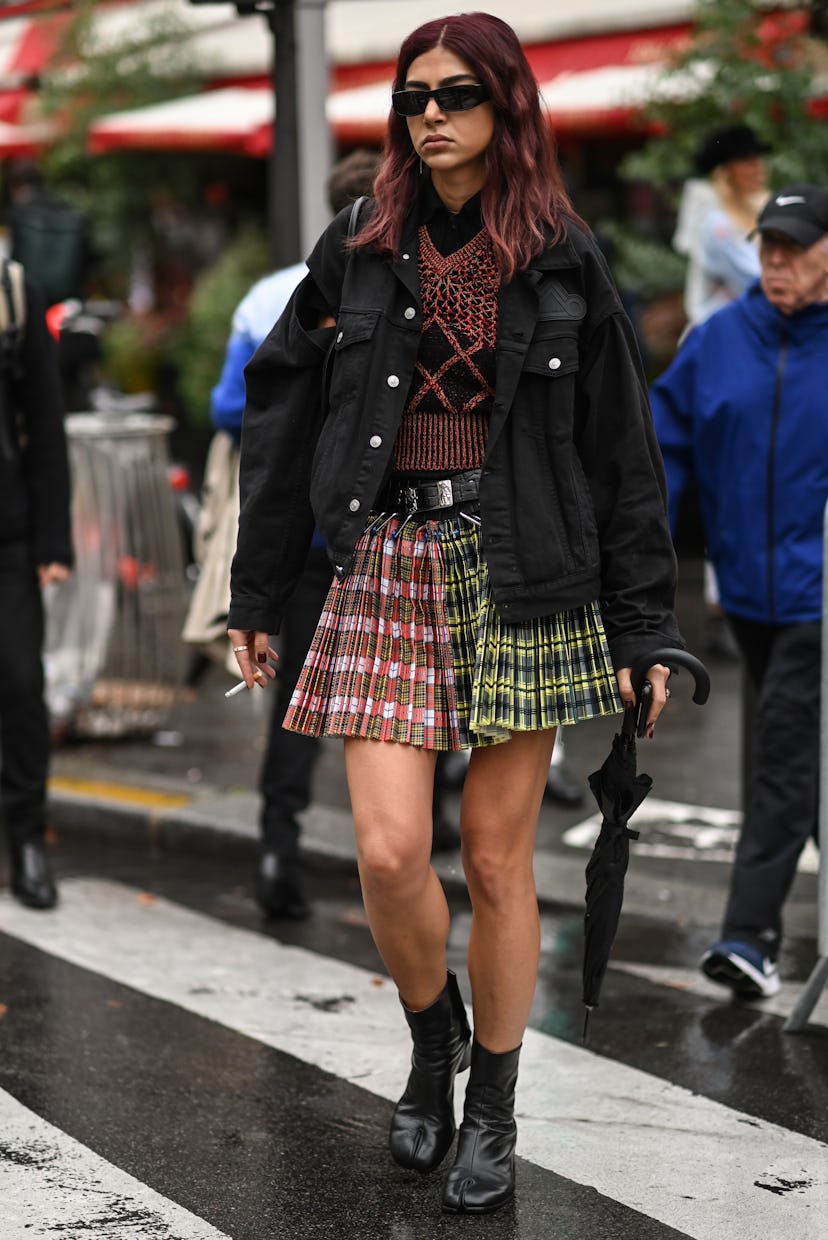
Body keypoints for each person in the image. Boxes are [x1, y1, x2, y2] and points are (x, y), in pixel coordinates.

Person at [228, 13, 679, 1214]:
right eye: (416, 94)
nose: (432, 113)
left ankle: (493, 1099)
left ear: (506, 109)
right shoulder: (361, 243)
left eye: (459, 94)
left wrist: (646, 630)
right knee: (385, 851)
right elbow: (279, 409)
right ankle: (435, 1037)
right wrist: (256, 589)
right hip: (386, 560)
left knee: (493, 857)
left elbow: (620, 452)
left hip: (525, 568)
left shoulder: (564, 255)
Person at [651, 184, 828, 1001]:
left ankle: (747, 936)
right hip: (746, 595)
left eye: (795, 247)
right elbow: (662, 452)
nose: (777, 262)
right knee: (792, 758)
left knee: (784, 755)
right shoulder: (720, 339)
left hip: (817, 596)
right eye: (768, 247)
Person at [211, 149, 383, 919]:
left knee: (296, 701)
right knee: (407, 697)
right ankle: (423, 832)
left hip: (309, 539)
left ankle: (278, 843)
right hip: (392, 541)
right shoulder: (410, 289)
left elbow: (229, 406)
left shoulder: (270, 296)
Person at [671, 123, 772, 662]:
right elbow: (762, 277)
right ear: (726, 170)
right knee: (726, 482)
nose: (758, 167)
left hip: (748, 360)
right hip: (719, 364)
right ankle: (721, 607)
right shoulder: (717, 224)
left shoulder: (749, 215)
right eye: (747, 159)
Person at [0, 261, 73, 909]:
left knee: (22, 684)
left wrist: (54, 540)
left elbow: (46, 422)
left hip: (9, 534)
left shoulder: (14, 292)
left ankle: (27, 838)